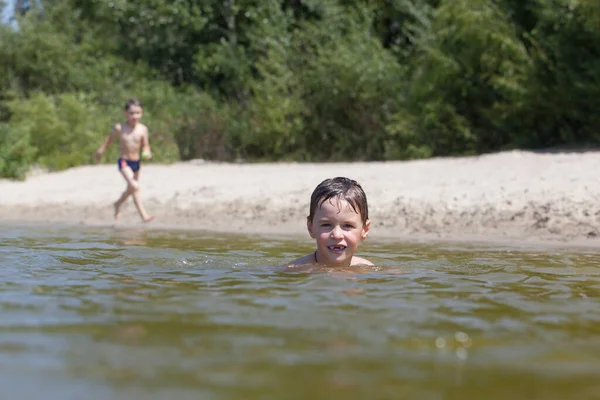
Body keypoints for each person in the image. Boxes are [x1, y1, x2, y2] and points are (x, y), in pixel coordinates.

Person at [288, 177, 373, 268]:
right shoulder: (298, 269)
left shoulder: (367, 269)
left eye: (348, 225)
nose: (336, 235)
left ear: (365, 229)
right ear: (310, 227)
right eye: (326, 225)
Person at [95, 98, 154, 222]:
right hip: (124, 162)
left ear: (141, 113)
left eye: (138, 113)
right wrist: (101, 151)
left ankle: (117, 204)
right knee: (134, 185)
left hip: (136, 163)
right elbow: (108, 140)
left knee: (132, 189)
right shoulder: (120, 128)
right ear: (125, 113)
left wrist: (147, 152)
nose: (135, 116)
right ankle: (144, 215)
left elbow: (145, 145)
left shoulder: (143, 129)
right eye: (132, 113)